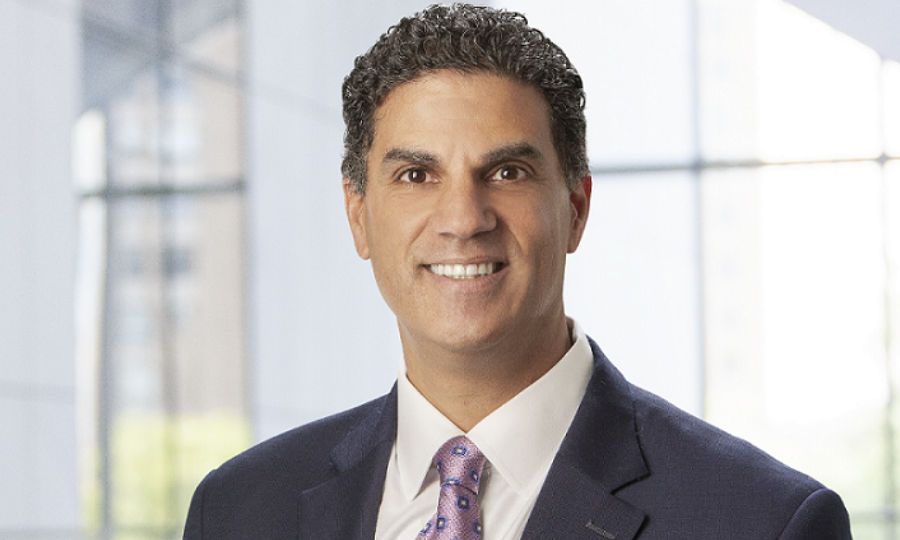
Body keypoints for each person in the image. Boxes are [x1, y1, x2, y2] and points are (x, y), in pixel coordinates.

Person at [183, 4, 851, 539]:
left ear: (576, 208)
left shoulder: (763, 520)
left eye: (507, 172)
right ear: (358, 215)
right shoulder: (239, 510)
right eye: (416, 175)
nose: (463, 218)